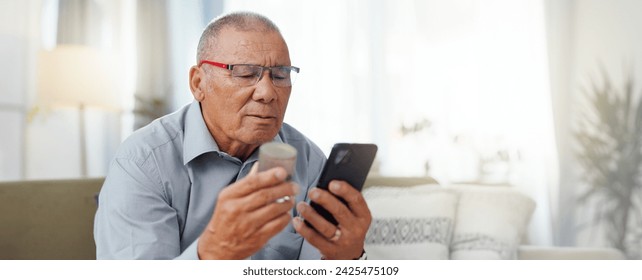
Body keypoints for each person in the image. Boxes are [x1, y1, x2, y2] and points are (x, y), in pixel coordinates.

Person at [94, 11, 372, 260]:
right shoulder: (142, 162)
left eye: (280, 74)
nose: (267, 92)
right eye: (245, 73)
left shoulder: (308, 160)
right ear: (198, 83)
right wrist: (212, 253)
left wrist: (348, 258)